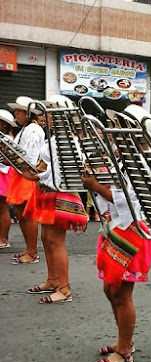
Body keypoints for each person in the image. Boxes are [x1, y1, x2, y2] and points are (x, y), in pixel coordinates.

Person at [81, 132, 151, 362]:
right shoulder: (121, 158)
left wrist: (95, 185)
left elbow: (129, 201)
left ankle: (124, 351)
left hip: (132, 229)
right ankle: (125, 340)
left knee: (121, 294)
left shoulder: (140, 163)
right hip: (115, 226)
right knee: (110, 290)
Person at [21, 95, 88, 303]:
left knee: (56, 242)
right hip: (47, 192)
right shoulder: (56, 139)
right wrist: (33, 171)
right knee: (46, 239)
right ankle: (52, 281)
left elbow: (61, 174)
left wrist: (36, 175)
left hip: (59, 193)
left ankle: (65, 289)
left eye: (51, 112)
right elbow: (44, 166)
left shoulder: (69, 143)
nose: (46, 116)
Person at [6, 96, 45, 263]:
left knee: (26, 213)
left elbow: (29, 156)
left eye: (18, 112)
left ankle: (32, 252)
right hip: (20, 171)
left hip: (26, 172)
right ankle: (29, 249)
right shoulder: (26, 129)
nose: (16, 116)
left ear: (28, 114)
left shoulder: (33, 130)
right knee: (19, 211)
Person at [0, 109, 17, 249]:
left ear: (4, 125)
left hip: (3, 174)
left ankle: (3, 239)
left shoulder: (7, 139)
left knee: (2, 208)